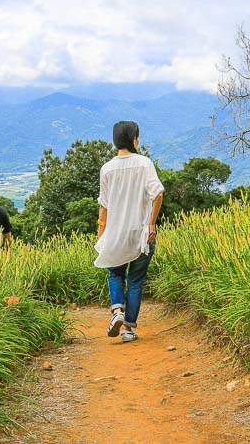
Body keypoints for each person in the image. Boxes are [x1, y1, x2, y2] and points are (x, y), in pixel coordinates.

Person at [94, 121, 164, 343]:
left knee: (115, 274)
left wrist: (100, 233)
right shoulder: (145, 164)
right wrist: (151, 223)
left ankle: (117, 312)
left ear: (115, 140)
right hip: (140, 233)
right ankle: (127, 328)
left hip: (115, 233)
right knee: (135, 280)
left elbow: (103, 206)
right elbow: (158, 194)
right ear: (135, 140)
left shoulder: (107, 169)